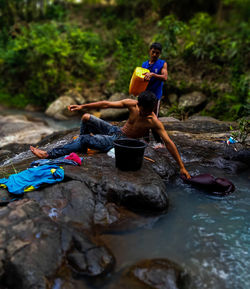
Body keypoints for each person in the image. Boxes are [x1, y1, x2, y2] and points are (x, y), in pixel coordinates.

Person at [30, 91, 190, 178]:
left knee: (85, 139)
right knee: (86, 118)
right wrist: (82, 106)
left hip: (121, 141)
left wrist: (181, 167)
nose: (144, 113)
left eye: (149, 111)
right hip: (116, 131)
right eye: (142, 109)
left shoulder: (153, 121)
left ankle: (48, 154)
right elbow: (106, 104)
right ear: (138, 104)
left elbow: (168, 142)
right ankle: (83, 146)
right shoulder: (132, 104)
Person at [142, 42, 168, 143]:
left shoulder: (162, 63)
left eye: (157, 53)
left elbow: (165, 77)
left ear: (160, 54)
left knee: (153, 119)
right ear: (150, 51)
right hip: (145, 95)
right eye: (153, 52)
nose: (154, 55)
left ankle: (159, 142)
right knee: (143, 118)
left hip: (155, 96)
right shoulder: (144, 64)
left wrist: (153, 74)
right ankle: (146, 141)